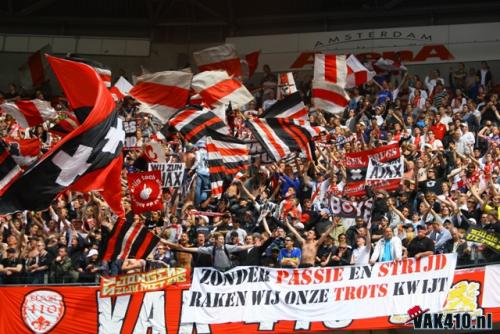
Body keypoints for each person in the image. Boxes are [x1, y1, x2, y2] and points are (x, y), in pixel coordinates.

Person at [167, 232, 252, 272]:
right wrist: (184, 248)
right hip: (215, 271)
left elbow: (241, 248)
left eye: (223, 239)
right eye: (220, 239)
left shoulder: (227, 247)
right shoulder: (211, 249)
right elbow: (196, 249)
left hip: (227, 270)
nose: (222, 240)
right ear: (216, 241)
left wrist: (253, 245)